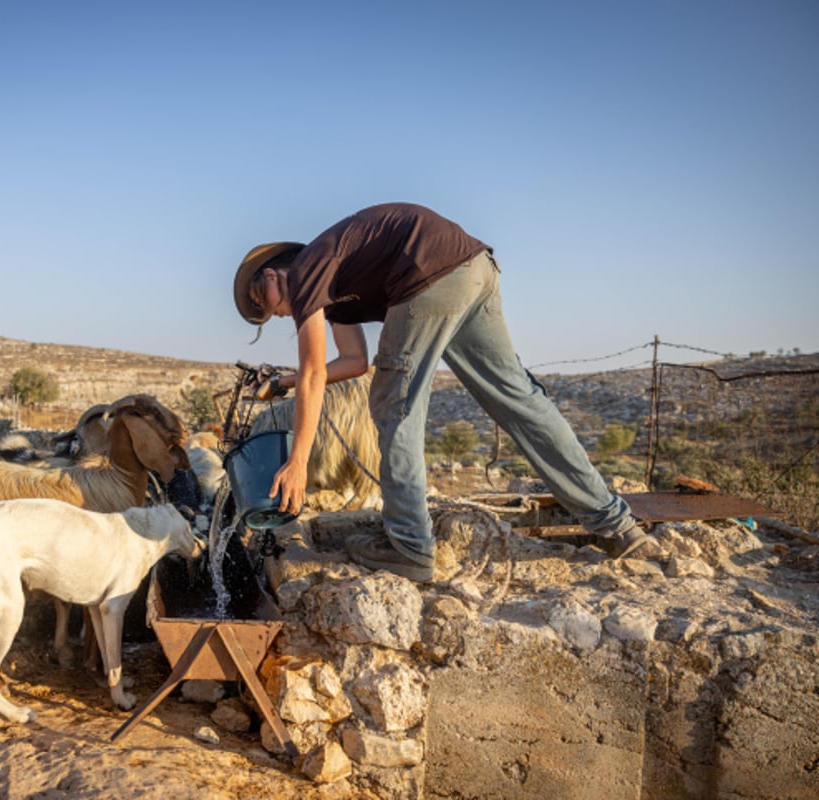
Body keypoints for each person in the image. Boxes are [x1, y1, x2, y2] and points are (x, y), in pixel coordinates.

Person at [232, 202, 653, 583]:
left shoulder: (306, 270)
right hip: (473, 267)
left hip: (427, 275)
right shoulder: (332, 282)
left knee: (393, 405)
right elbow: (354, 362)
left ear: (273, 273)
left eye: (263, 301)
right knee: (518, 399)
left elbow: (311, 375)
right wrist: (280, 383)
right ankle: (616, 525)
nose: (275, 313)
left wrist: (298, 462)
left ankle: (410, 547)